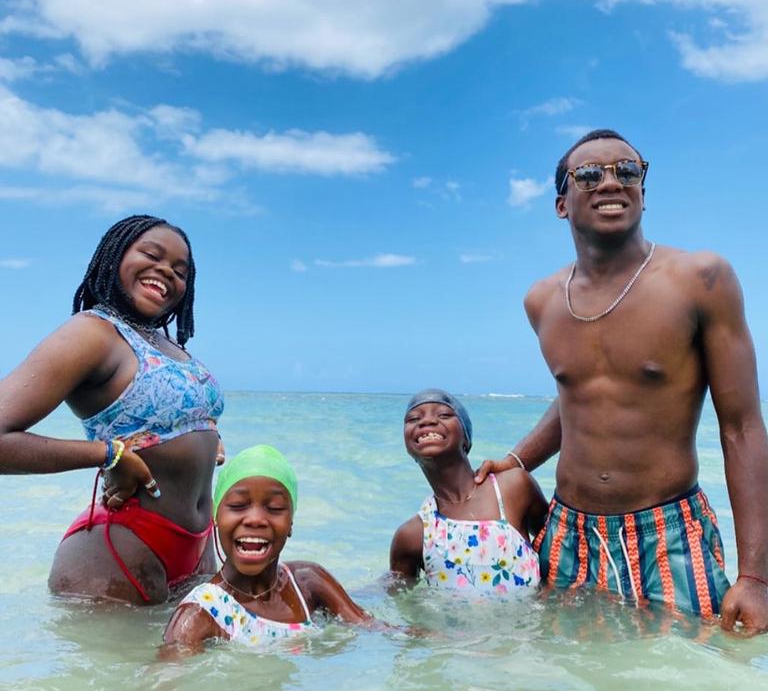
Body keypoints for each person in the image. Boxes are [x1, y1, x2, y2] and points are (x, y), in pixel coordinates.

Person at [475, 129, 768, 631]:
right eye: (589, 174)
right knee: (569, 688)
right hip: (569, 534)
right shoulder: (542, 300)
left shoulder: (701, 279)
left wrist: (757, 577)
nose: (611, 181)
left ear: (643, 192)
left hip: (669, 533)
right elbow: (578, 393)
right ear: (562, 204)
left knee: (684, 687)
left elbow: (742, 428)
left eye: (627, 171)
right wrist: (520, 459)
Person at [0, 215, 224, 604]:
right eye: (151, 255)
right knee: (121, 666)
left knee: (198, 666)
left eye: (180, 270)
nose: (166, 272)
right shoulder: (93, 333)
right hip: (120, 550)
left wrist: (208, 439)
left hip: (196, 546)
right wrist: (107, 455)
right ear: (115, 257)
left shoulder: (165, 344)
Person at [162, 444, 374, 653]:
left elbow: (372, 629)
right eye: (237, 505)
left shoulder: (306, 582)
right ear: (216, 516)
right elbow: (166, 676)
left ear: (291, 522)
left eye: (274, 508)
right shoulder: (202, 612)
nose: (255, 519)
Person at [390, 389, 547, 594]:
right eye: (413, 419)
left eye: (444, 415)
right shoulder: (413, 535)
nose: (426, 421)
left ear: (466, 438)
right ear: (408, 448)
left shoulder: (513, 487)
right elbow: (398, 595)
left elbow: (556, 546)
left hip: (527, 625)